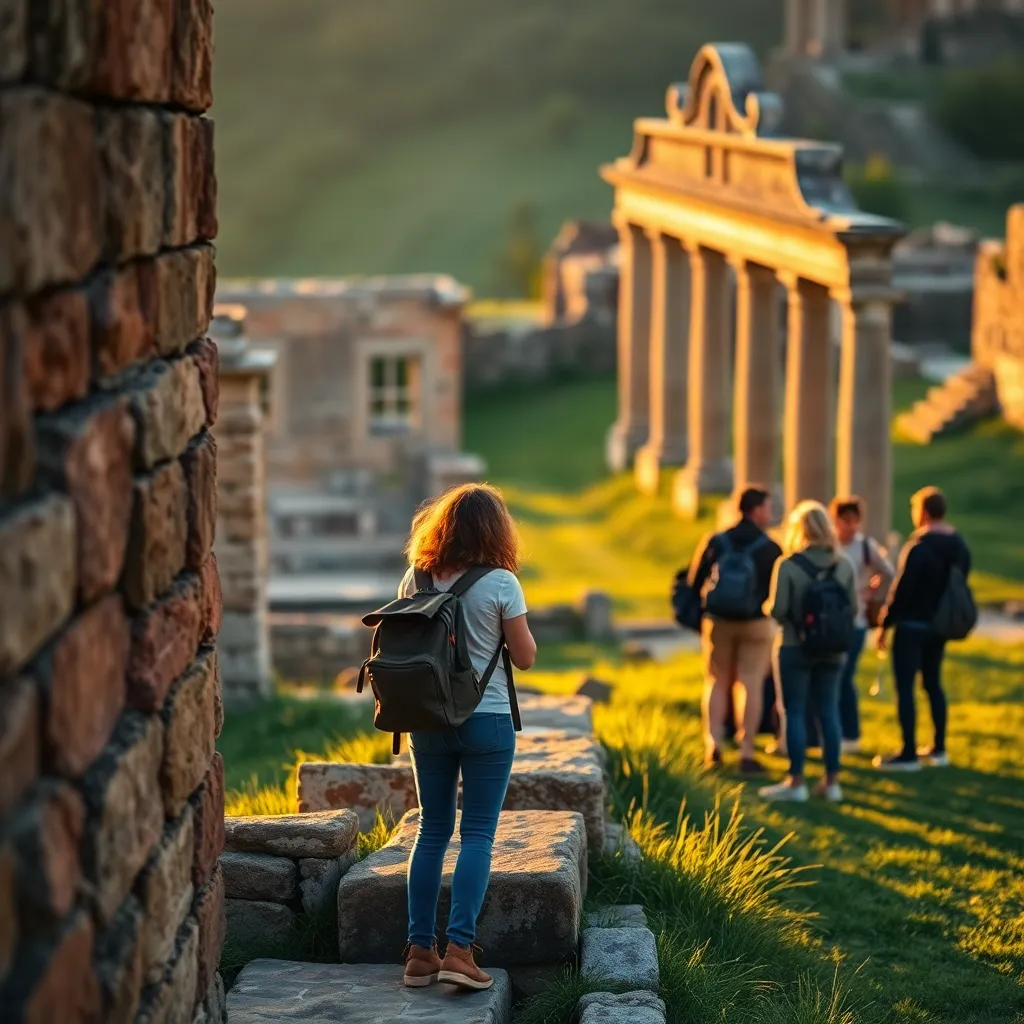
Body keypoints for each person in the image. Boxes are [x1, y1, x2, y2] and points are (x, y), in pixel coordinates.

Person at [398, 484, 537, 990]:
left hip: (426, 720)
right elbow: (524, 657)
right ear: (496, 530)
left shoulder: (415, 577)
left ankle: (418, 954)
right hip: (487, 721)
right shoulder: (502, 582)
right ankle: (459, 951)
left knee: (430, 831)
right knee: (477, 834)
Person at [760, 500, 857, 803]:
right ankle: (831, 783)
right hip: (834, 649)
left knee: (795, 712)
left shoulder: (788, 565)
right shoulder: (843, 564)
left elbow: (777, 610)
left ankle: (796, 782)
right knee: (829, 711)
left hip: (794, 646)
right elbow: (852, 609)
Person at [687, 486, 783, 774]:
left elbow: (694, 582)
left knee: (716, 681)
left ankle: (713, 744)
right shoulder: (770, 547)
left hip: (717, 622)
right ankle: (747, 751)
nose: (770, 513)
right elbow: (776, 592)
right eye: (767, 507)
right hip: (756, 623)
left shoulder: (716, 540)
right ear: (756, 510)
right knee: (750, 683)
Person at [874, 486, 971, 771]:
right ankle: (939, 749)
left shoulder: (918, 547)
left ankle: (908, 753)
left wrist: (885, 623)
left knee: (906, 689)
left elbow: (902, 591)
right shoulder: (959, 546)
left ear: (924, 513)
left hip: (912, 626)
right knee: (933, 685)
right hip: (940, 626)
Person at [830, 496, 895, 752]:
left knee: (845, 676)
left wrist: (870, 591)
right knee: (832, 676)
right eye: (846, 521)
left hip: (855, 620)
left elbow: (887, 573)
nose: (851, 526)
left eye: (855, 521)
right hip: (830, 619)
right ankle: (833, 731)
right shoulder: (830, 545)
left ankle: (850, 734)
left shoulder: (865, 546)